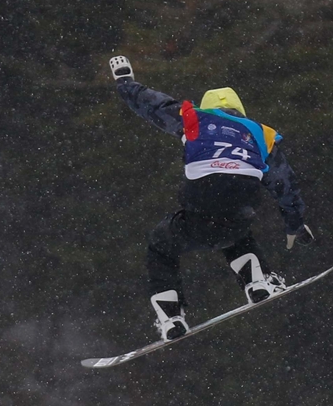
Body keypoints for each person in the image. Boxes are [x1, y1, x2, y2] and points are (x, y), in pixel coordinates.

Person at [109, 55, 316, 341]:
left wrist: (125, 83)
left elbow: (153, 104)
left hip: (203, 195)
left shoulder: (195, 117)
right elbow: (284, 183)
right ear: (239, 110)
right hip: (243, 196)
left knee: (161, 246)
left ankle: (171, 318)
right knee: (236, 231)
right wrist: (295, 223)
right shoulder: (261, 133)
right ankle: (257, 281)